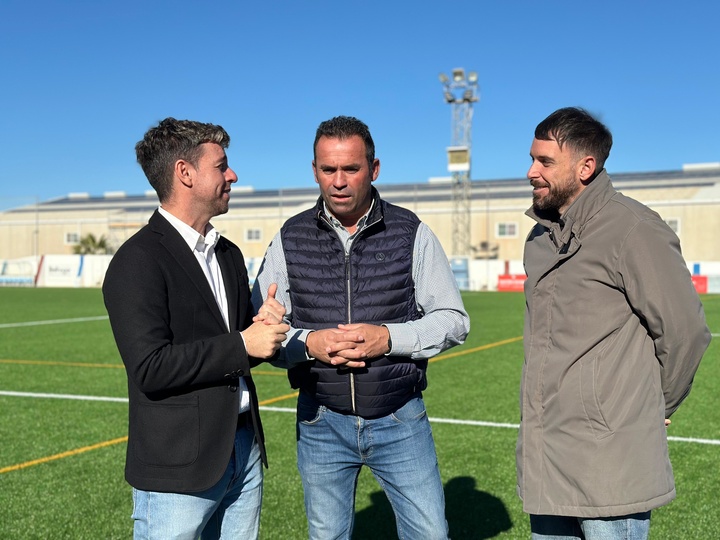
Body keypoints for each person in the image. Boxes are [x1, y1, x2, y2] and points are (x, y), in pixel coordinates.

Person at [252, 115, 470, 539]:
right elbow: (262, 331)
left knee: (429, 534)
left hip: (400, 417)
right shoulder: (288, 238)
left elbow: (453, 321)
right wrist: (308, 344)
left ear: (374, 169)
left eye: (350, 169)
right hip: (320, 421)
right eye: (328, 170)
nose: (338, 181)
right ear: (314, 170)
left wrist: (388, 338)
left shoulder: (411, 232)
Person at [518, 107, 711, 539]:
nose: (531, 171)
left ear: (586, 167)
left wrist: (657, 405)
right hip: (548, 454)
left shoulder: (634, 229)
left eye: (545, 161)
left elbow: (685, 332)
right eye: (531, 158)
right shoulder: (540, 239)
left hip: (610, 460)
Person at [103, 117, 289, 539]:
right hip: (178, 467)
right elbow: (151, 367)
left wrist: (262, 331)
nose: (233, 175)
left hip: (242, 448)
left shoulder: (227, 253)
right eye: (221, 165)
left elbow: (237, 347)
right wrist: (244, 343)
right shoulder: (138, 260)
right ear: (184, 173)